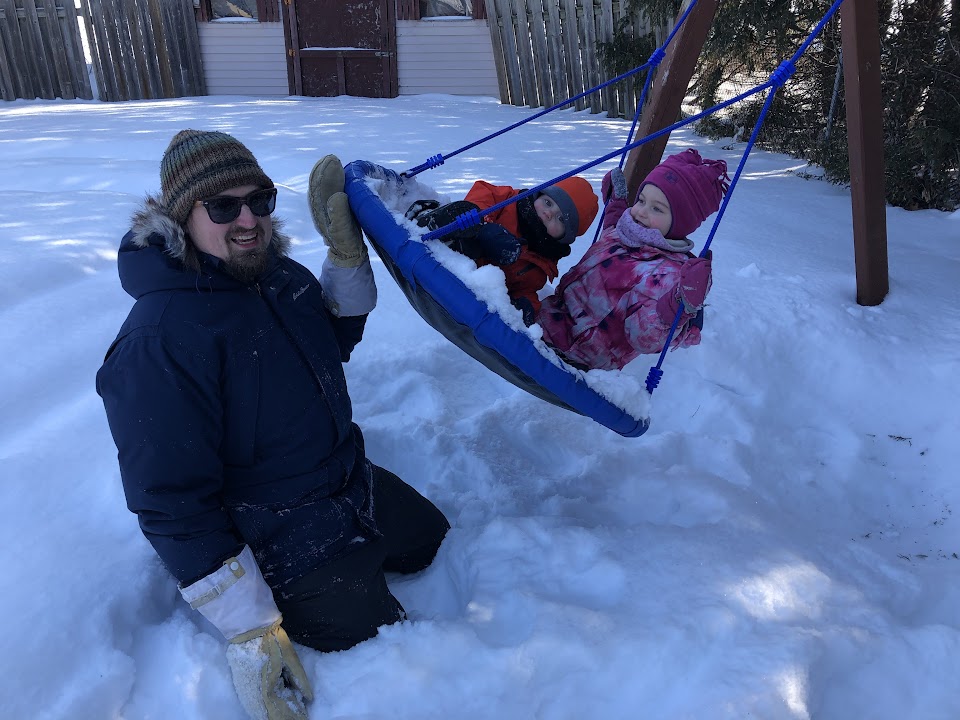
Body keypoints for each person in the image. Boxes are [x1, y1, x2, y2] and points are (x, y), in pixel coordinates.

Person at [96, 131, 450, 720]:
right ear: (181, 217)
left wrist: (345, 265)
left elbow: (327, 346)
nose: (248, 220)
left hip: (345, 479)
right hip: (273, 524)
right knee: (381, 638)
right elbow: (169, 499)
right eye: (223, 206)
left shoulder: (280, 277)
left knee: (431, 541)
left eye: (259, 200)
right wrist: (248, 625)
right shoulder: (160, 339)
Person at [538, 148, 729, 371]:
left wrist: (678, 304)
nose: (641, 211)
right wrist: (616, 204)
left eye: (656, 208)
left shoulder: (668, 274)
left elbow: (644, 337)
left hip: (576, 355)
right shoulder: (628, 232)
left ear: (681, 222)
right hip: (548, 319)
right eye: (641, 200)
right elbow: (613, 239)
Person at [407, 176, 599, 324]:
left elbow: (525, 289)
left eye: (561, 219)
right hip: (461, 239)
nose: (549, 213)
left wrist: (525, 306)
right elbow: (484, 191)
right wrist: (485, 225)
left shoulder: (541, 264)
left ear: (564, 237)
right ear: (539, 194)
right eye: (548, 203)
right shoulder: (511, 201)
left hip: (471, 283)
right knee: (466, 220)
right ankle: (430, 222)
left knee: (475, 260)